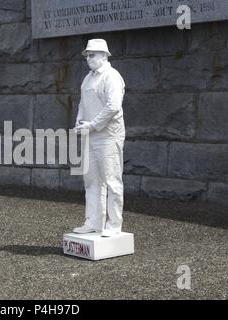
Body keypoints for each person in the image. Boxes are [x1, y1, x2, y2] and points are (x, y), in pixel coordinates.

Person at [73, 39, 126, 237]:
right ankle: (93, 222)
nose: (89, 58)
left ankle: (114, 224)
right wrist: (80, 121)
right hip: (89, 134)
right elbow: (82, 103)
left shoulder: (112, 76)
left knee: (112, 180)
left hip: (108, 136)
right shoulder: (87, 78)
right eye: (87, 55)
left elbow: (113, 106)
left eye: (93, 54)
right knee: (91, 181)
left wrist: (93, 124)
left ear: (104, 55)